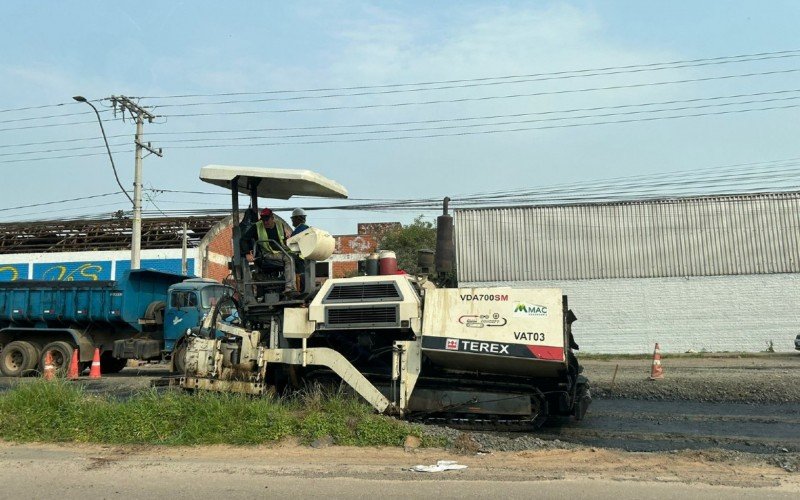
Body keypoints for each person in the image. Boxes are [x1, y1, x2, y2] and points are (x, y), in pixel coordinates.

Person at [246, 207, 297, 294]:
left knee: (298, 258)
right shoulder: (257, 227)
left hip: (280, 251)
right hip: (267, 254)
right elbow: (243, 239)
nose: (265, 222)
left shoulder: (280, 224)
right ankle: (290, 288)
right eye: (263, 220)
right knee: (289, 259)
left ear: (272, 218)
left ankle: (297, 285)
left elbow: (283, 240)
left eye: (267, 220)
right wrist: (247, 253)